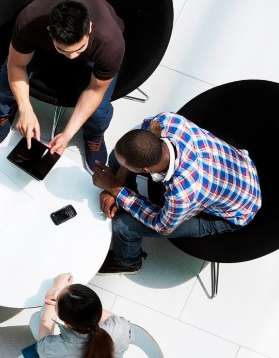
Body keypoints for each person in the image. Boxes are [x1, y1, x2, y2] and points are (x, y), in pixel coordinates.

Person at [90, 112, 262, 275]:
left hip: (234, 212)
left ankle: (128, 262)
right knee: (116, 158)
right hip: (236, 169)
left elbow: (162, 226)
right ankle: (125, 203)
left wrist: (115, 189)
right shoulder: (167, 121)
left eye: (129, 166)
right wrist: (117, 187)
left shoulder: (182, 195)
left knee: (123, 227)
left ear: (145, 169)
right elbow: (141, 138)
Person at [0, 0, 125, 173]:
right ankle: (3, 113)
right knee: (4, 82)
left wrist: (68, 134)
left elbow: (95, 90)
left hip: (91, 60)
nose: (72, 56)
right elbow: (16, 66)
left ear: (89, 27)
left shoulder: (110, 44)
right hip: (44, 49)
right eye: (64, 50)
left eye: (79, 48)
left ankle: (93, 136)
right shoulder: (29, 21)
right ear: (49, 30)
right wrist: (25, 108)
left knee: (99, 111)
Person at [34, 273, 132, 358]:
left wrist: (55, 291)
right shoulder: (120, 327)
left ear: (67, 324)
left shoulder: (56, 348)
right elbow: (114, 318)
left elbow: (42, 345)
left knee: (34, 319)